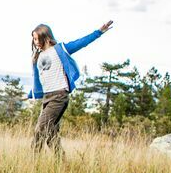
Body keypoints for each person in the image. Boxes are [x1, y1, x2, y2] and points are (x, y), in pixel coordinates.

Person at [28, 20, 113, 155]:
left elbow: (81, 42)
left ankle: (32, 163)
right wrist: (32, 93)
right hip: (47, 97)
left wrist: (99, 32)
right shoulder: (37, 56)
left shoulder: (60, 49)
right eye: (33, 38)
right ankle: (62, 164)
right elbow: (40, 79)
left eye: (37, 38)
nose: (35, 41)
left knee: (40, 129)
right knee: (51, 135)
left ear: (46, 37)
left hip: (59, 96)